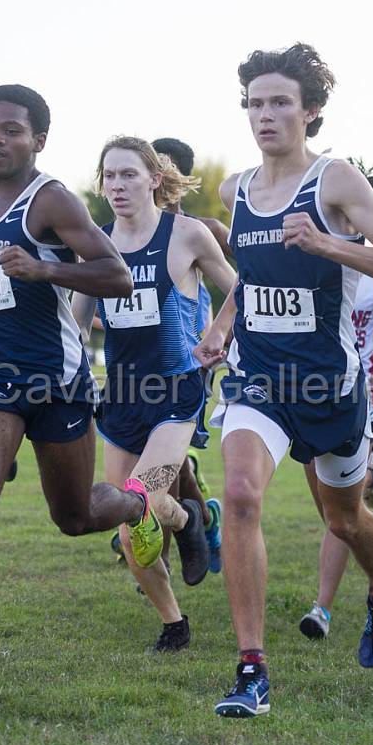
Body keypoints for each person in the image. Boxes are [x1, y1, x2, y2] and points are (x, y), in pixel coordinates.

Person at [195, 43, 373, 717]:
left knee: (346, 519)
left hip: (328, 384)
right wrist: (224, 321)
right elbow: (255, 281)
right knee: (239, 495)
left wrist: (327, 243)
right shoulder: (237, 190)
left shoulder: (336, 181)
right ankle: (251, 670)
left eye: (279, 103)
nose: (264, 115)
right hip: (258, 376)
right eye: (255, 103)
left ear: (310, 111)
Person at [0, 85, 149, 700]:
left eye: (10, 130)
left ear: (38, 139)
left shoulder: (51, 200)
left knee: (74, 516)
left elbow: (116, 276)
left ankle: (143, 506)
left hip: (56, 381)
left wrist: (45, 268)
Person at [71, 136, 235, 651]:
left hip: (177, 390)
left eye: (128, 175)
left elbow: (240, 288)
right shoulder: (96, 244)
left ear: (154, 180)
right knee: (128, 524)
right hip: (120, 394)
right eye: (109, 176)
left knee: (141, 499)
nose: (116, 186)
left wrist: (218, 335)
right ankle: (173, 618)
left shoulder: (186, 235)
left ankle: (187, 518)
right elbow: (76, 324)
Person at [298, 265, 373, 641]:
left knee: (339, 517)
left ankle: (322, 608)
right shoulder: (309, 254)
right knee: (333, 511)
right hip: (307, 394)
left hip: (360, 398)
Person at [150, 136, 225, 569]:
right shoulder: (128, 231)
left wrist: (219, 332)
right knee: (168, 459)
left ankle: (159, 547)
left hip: (193, 361)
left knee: (169, 456)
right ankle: (201, 521)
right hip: (141, 363)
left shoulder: (202, 231)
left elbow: (248, 273)